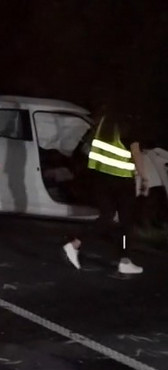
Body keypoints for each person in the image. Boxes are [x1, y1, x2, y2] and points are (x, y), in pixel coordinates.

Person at [62, 110, 148, 276]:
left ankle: (75, 243)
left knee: (107, 216)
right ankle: (124, 260)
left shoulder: (104, 122)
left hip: (101, 177)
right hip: (122, 179)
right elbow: (135, 150)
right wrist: (144, 177)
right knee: (125, 222)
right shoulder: (129, 121)